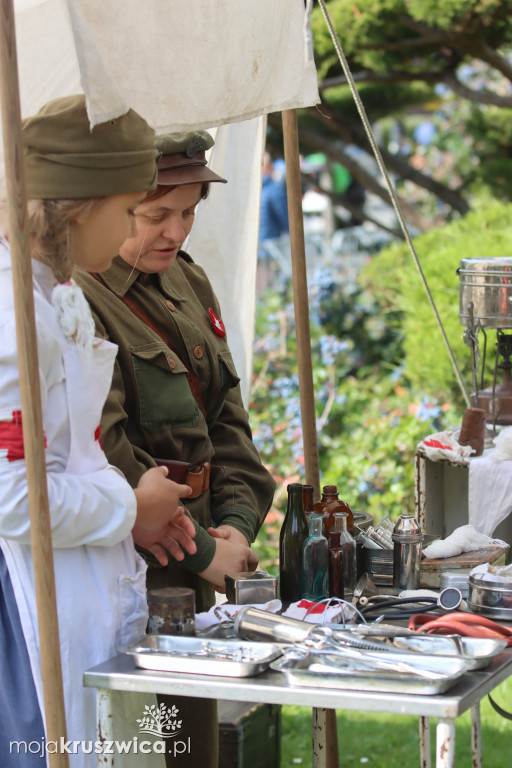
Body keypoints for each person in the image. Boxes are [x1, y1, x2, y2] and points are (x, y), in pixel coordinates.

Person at [0, 95, 196, 767]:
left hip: (77, 577)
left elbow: (64, 452)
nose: (127, 234)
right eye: (125, 210)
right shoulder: (9, 317)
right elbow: (13, 497)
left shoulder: (54, 294)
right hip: (27, 610)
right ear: (74, 204)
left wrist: (129, 518)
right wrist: (126, 507)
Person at [76, 130, 276, 768]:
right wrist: (202, 550)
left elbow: (227, 425)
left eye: (188, 212)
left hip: (203, 570)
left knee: (191, 746)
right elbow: (106, 448)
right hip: (137, 574)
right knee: (139, 749)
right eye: (155, 214)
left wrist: (236, 531)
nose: (176, 231)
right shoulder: (77, 296)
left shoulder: (187, 281)